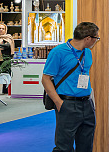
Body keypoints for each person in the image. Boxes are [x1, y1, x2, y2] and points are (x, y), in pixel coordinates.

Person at [41, 22, 100, 152]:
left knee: (86, 145)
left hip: (87, 103)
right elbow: (45, 79)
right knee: (64, 147)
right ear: (88, 38)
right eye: (97, 38)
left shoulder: (88, 53)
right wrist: (58, 102)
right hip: (67, 103)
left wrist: (92, 99)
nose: (97, 41)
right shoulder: (58, 52)